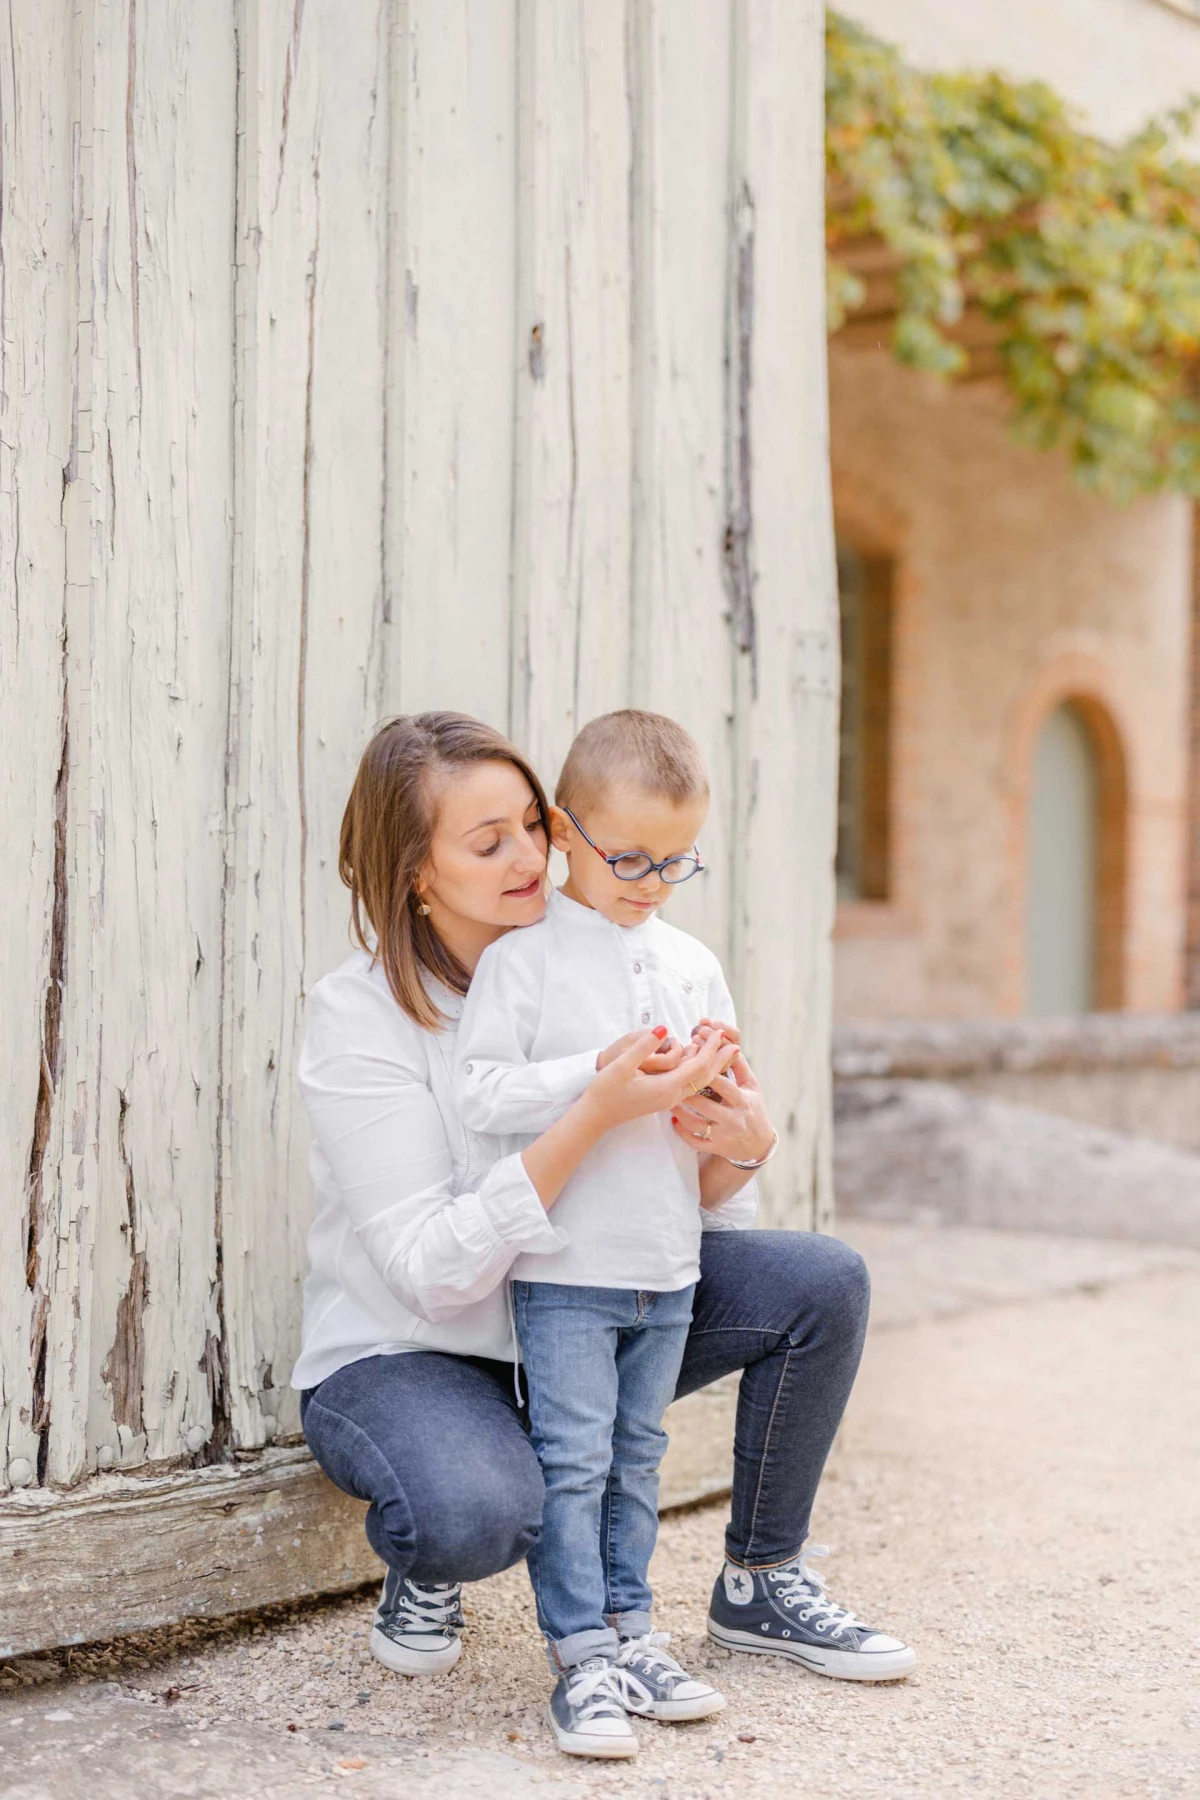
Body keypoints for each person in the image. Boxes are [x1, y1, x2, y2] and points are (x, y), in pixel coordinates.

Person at [292, 713, 914, 1746]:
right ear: (415, 874)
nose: (530, 858)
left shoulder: (627, 959)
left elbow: (697, 1219)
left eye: (532, 827)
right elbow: (426, 1274)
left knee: (821, 1282)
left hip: (587, 1306)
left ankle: (761, 1581)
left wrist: (738, 1143)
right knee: (482, 1512)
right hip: (422, 1349)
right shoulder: (360, 1017)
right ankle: (436, 1557)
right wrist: (589, 1114)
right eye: (486, 844)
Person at [456, 710, 778, 1757]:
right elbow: (481, 1093)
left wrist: (727, 1107)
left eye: (676, 862)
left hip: (665, 1263)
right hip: (565, 1269)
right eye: (628, 856)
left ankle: (635, 1628)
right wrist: (596, 1073)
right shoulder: (526, 961)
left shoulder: (688, 959)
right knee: (573, 1459)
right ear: (562, 830)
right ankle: (580, 1652)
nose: (649, 881)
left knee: (640, 1456)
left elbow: (720, 1141)